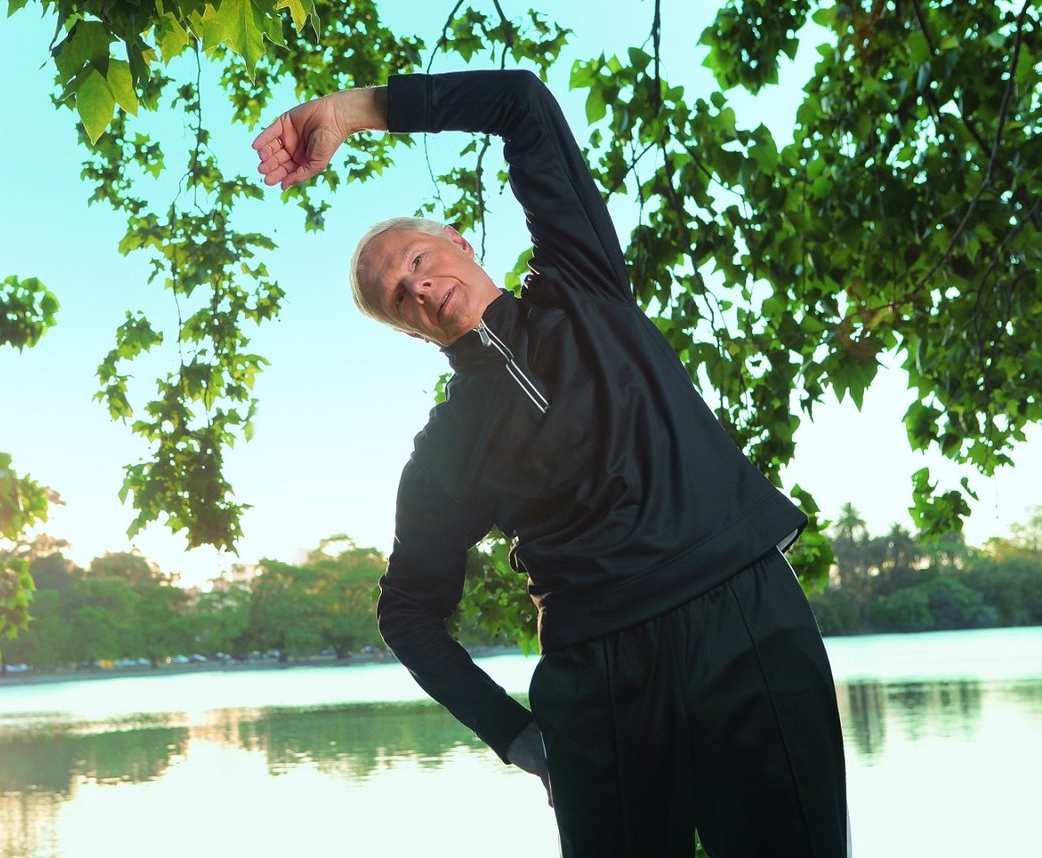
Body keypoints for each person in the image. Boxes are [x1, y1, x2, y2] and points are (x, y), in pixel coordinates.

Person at [253, 69, 849, 858]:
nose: (419, 285)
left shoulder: (581, 284)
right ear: (408, 331)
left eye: (419, 259)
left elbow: (521, 104)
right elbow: (406, 612)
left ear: (460, 242)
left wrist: (344, 114)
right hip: (603, 688)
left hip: (741, 618)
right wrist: (516, 736)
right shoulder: (445, 454)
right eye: (398, 295)